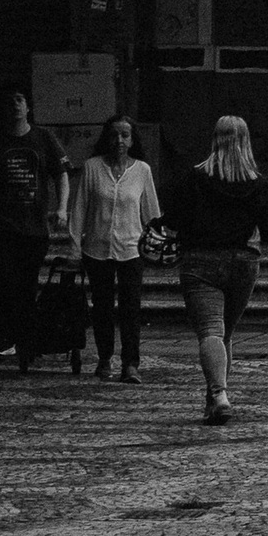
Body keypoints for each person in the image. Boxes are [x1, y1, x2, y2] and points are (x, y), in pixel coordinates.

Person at [169, 113, 268, 425]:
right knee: (225, 332)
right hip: (243, 263)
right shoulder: (259, 184)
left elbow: (174, 218)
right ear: (245, 141)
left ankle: (219, 394)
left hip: (200, 261)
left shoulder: (193, 177)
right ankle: (215, 397)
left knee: (210, 332)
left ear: (215, 139)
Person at [0, 84, 71, 367]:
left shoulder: (44, 138)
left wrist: (62, 207)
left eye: (20, 100)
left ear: (28, 106)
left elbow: (61, 174)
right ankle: (4, 338)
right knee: (2, 283)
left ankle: (25, 339)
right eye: (9, 102)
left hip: (33, 227)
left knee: (26, 284)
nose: (15, 106)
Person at [73, 114, 163, 382]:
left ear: (133, 140)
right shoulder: (92, 167)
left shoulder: (142, 171)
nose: (119, 140)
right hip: (97, 249)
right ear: (106, 138)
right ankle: (104, 359)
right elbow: (79, 209)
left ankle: (130, 364)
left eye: (125, 135)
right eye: (114, 135)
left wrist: (157, 246)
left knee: (130, 309)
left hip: (131, 249)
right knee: (101, 307)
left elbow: (151, 214)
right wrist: (75, 246)